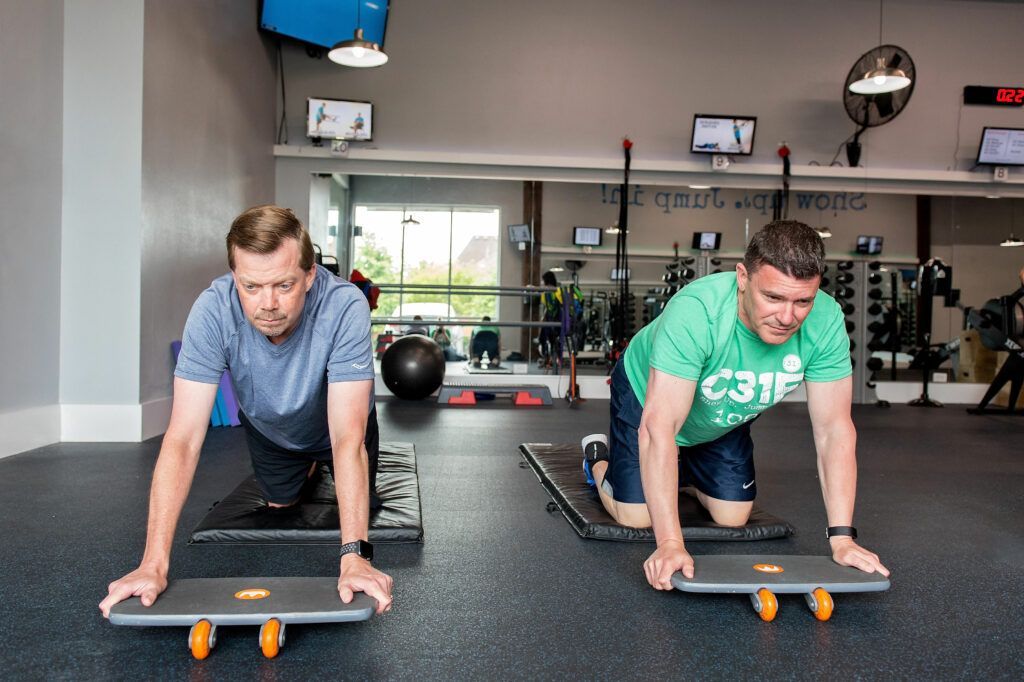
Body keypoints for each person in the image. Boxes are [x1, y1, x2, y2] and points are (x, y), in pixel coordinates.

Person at [99, 205, 393, 618]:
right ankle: (302, 467)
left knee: (365, 501)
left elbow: (348, 438)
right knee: (279, 507)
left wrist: (354, 556)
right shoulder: (213, 309)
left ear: (310, 275)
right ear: (234, 276)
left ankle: (317, 465)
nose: (267, 304)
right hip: (271, 428)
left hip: (337, 428)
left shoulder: (344, 306)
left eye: (284, 285)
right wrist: (152, 564)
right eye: (251, 286)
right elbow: (182, 439)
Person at [581, 220, 889, 591]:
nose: (788, 317)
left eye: (802, 300)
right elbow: (657, 427)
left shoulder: (826, 321)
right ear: (742, 277)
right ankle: (597, 456)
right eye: (773, 297)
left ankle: (681, 470)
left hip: (721, 410)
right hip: (648, 393)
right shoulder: (697, 312)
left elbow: (834, 430)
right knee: (635, 516)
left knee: (733, 517)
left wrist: (842, 538)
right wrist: (670, 544)